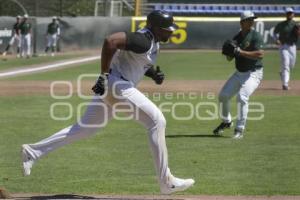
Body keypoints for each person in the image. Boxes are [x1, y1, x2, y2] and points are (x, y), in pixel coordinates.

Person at [21, 10, 194, 194]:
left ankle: (32, 152)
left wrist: (152, 74)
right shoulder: (144, 39)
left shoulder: (150, 41)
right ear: (154, 27)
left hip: (113, 85)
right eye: (166, 29)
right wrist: (103, 75)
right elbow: (111, 41)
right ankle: (166, 182)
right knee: (156, 120)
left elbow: (137, 61)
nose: (170, 32)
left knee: (84, 129)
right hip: (116, 85)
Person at [213, 10, 264, 139]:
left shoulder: (255, 36)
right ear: (242, 22)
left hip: (253, 73)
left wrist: (240, 52)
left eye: (253, 19)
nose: (252, 21)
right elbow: (230, 58)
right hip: (239, 73)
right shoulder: (236, 38)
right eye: (249, 19)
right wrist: (229, 53)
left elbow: (260, 54)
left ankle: (239, 129)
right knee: (223, 96)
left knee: (242, 97)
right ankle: (227, 122)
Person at [273, 7, 300, 90]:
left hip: (292, 46)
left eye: (291, 13)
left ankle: (282, 73)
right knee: (285, 64)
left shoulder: (296, 24)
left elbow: (298, 33)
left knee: (291, 65)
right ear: (286, 14)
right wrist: (276, 39)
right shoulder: (281, 24)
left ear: (293, 14)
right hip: (283, 46)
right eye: (288, 13)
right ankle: (285, 84)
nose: (289, 14)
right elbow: (274, 32)